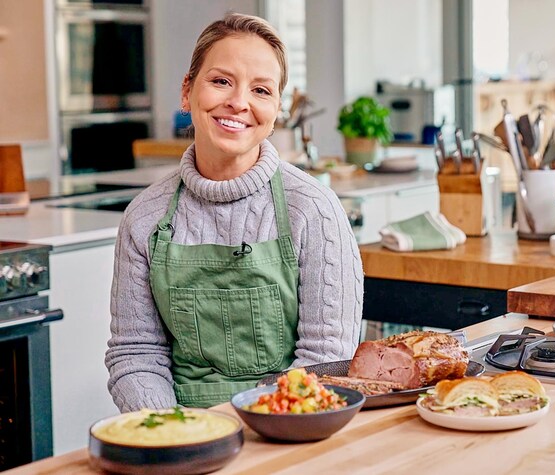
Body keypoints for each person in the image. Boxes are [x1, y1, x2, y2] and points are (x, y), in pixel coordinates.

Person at [105, 13, 363, 411]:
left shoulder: (313, 209)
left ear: (276, 108)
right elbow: (136, 355)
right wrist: (176, 434)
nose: (239, 103)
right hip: (182, 435)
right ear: (187, 91)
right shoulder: (144, 217)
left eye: (261, 90)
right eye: (221, 81)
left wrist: (260, 425)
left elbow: (326, 360)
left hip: (288, 429)